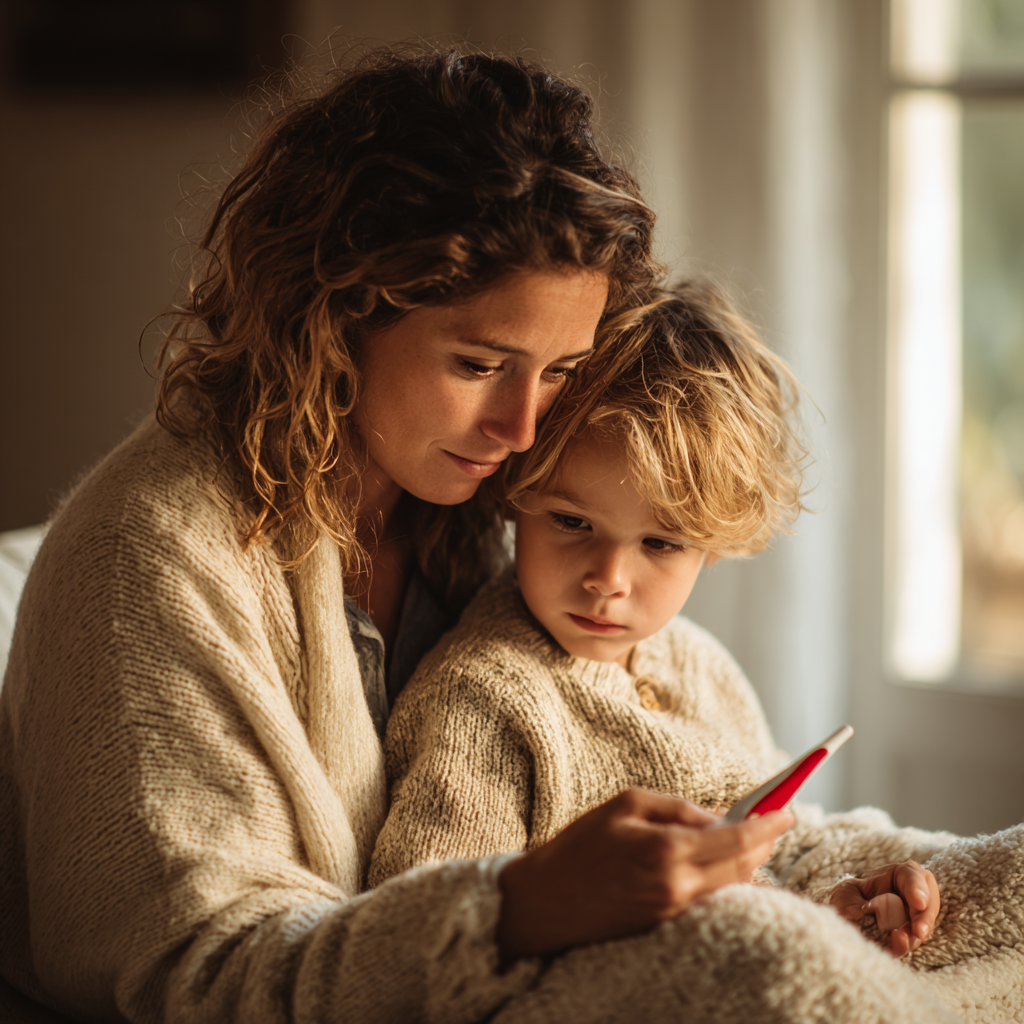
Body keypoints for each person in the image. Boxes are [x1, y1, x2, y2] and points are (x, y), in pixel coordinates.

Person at [0, 48, 797, 1024]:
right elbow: (194, 973)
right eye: (480, 364)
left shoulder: (470, 506)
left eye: (558, 370)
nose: (524, 429)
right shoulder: (152, 556)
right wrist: (518, 909)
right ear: (333, 317)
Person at [369, 285, 1024, 1023]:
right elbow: (435, 937)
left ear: (711, 548)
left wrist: (850, 894)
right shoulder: (483, 698)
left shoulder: (699, 665)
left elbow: (780, 847)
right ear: (516, 498)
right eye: (571, 521)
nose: (608, 579)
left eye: (659, 542)